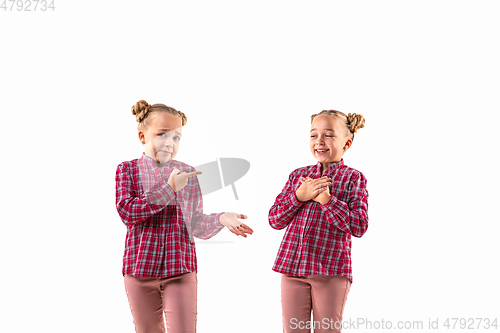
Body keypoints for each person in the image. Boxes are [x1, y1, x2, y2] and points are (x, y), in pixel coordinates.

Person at [115, 100, 253, 333]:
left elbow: (194, 223)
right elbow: (128, 212)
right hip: (139, 271)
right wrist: (170, 189)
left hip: (180, 270)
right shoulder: (126, 170)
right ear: (142, 136)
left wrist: (220, 219)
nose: (169, 143)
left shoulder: (188, 173)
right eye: (162, 135)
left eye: (176, 137)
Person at [269, 110, 369, 333]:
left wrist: (327, 200)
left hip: (331, 272)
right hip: (292, 270)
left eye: (329, 135)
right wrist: (298, 197)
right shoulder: (298, 176)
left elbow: (359, 226)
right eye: (314, 135)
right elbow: (274, 219)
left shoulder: (354, 178)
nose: (319, 142)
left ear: (347, 143)